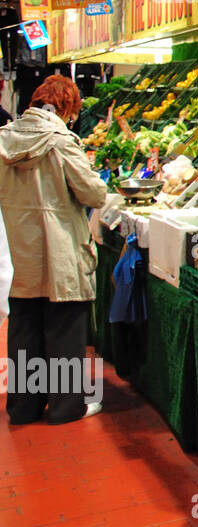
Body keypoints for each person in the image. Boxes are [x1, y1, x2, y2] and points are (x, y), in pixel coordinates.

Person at [0, 74, 107, 424]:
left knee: (23, 329)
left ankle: (23, 408)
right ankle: (65, 408)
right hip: (60, 250)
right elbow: (93, 194)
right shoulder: (62, 142)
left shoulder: (4, 139)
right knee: (64, 329)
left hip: (18, 252)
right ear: (67, 107)